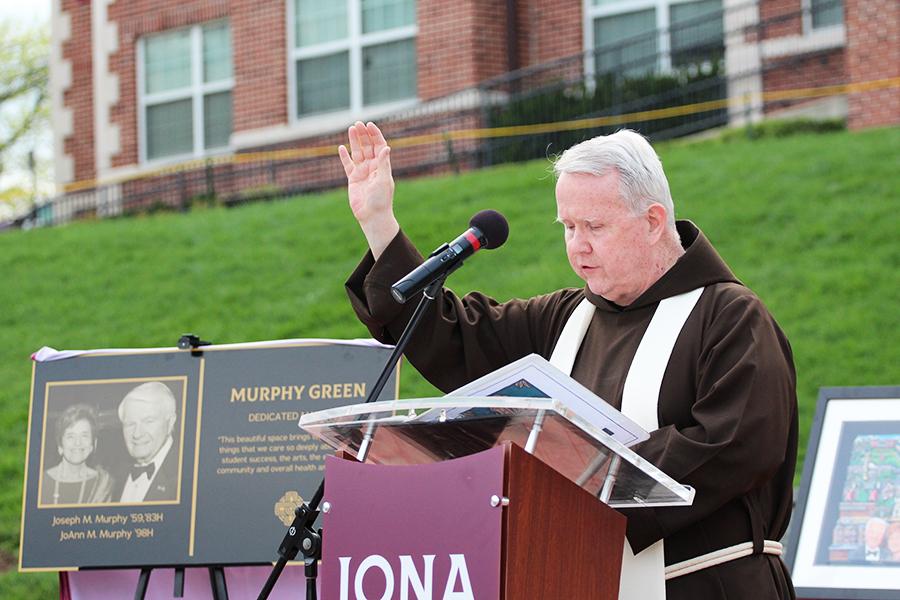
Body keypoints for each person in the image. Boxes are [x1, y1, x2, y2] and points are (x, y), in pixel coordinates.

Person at [339, 121, 798, 599]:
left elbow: (735, 445)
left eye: (595, 226)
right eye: (569, 227)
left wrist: (580, 472)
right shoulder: (566, 318)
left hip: (704, 586)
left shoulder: (728, 317)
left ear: (653, 220)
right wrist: (379, 223)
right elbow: (454, 337)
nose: (578, 245)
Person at [113, 381, 180, 502]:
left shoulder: (187, 476)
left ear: (170, 422)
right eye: (130, 424)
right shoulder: (115, 477)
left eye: (148, 421)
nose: (137, 434)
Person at [40, 404, 113, 505]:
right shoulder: (41, 481)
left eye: (84, 436)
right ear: (60, 443)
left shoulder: (103, 484)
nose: (78, 443)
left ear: (92, 444)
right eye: (70, 436)